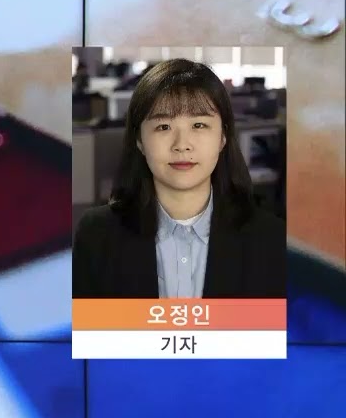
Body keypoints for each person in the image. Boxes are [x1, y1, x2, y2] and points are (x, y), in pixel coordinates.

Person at [72, 59, 286, 299]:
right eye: (164, 127)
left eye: (199, 125)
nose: (182, 145)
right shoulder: (96, 235)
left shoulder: (271, 239)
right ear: (139, 140)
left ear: (223, 137)